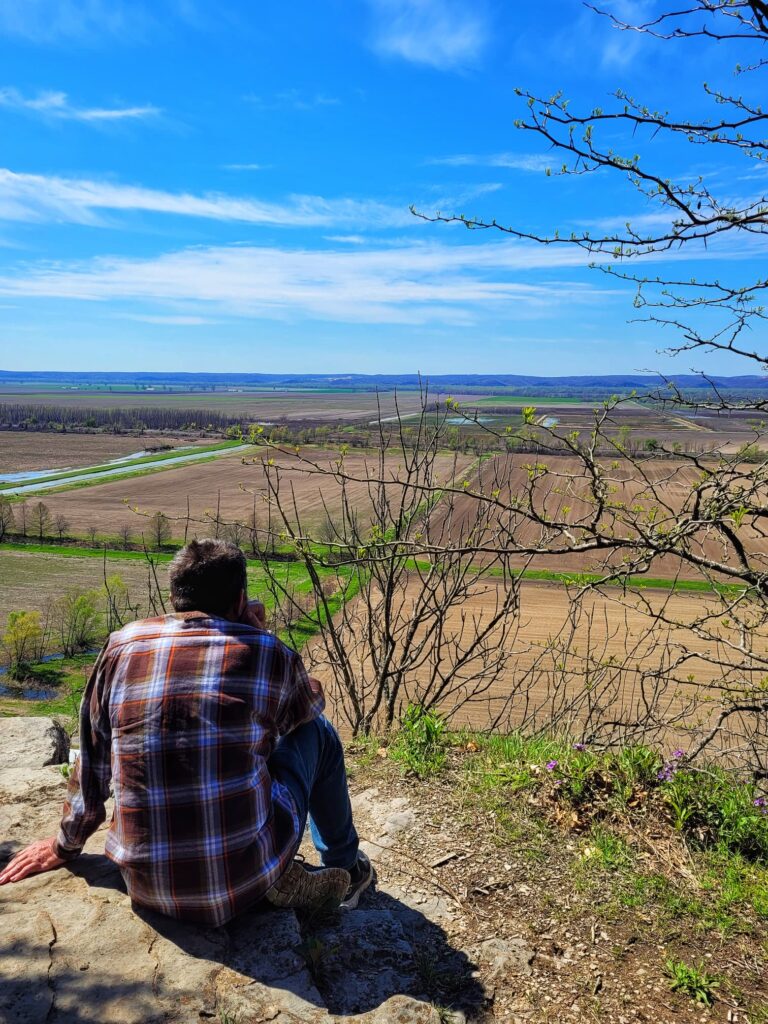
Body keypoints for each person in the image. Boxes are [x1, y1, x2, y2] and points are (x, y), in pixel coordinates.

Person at [0, 539, 373, 925]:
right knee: (319, 734)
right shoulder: (265, 651)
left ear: (175, 595)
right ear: (240, 598)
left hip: (146, 885)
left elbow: (93, 762)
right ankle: (347, 868)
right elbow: (308, 704)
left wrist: (65, 846)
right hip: (246, 882)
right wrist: (258, 633)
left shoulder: (120, 646)